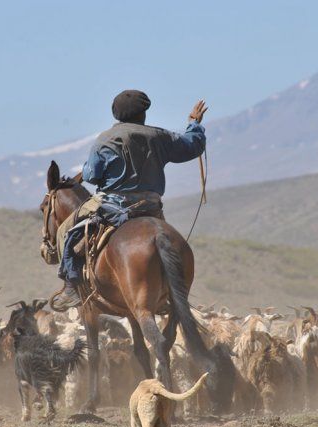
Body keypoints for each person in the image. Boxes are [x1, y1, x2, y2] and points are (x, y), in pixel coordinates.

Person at [51, 90, 208, 310]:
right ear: (144, 113)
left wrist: (87, 170)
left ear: (116, 114)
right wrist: (194, 124)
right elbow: (192, 146)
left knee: (68, 233)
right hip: (151, 207)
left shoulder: (105, 139)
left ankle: (70, 288)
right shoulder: (160, 136)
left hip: (113, 205)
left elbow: (91, 176)